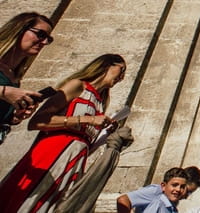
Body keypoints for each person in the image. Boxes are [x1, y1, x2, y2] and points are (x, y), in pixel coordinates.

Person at [0, 53, 127, 213]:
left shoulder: (100, 102)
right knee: (36, 200)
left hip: (76, 157)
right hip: (55, 151)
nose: (122, 77)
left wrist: (105, 133)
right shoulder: (77, 86)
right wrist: (87, 120)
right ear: (106, 65)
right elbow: (37, 121)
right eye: (121, 70)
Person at [0, 12, 54, 143]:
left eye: (49, 39)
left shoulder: (14, 75)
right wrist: (3, 92)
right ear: (19, 29)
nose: (45, 42)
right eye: (41, 34)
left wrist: (14, 116)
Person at [117, 166, 200, 212]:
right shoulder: (156, 191)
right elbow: (123, 200)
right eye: (188, 192)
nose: (186, 197)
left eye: (182, 187)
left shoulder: (172, 206)